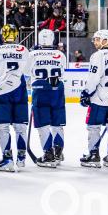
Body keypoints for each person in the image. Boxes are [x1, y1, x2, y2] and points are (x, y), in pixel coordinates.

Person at [0, 27, 31, 171]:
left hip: (1, 92)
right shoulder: (23, 50)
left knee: (2, 126)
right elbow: (28, 72)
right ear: (16, 35)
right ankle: (21, 159)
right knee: (20, 126)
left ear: (3, 35)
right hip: (20, 90)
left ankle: (7, 159)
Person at [79, 29, 108, 168]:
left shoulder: (98, 55)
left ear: (105, 41)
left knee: (93, 127)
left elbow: (94, 77)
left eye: (98, 39)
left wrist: (86, 93)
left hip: (99, 98)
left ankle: (93, 155)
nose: (95, 42)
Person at [28, 29, 67, 168]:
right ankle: (58, 153)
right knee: (57, 123)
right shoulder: (60, 54)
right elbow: (63, 71)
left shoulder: (32, 54)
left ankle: (49, 154)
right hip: (57, 91)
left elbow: (26, 71)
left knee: (42, 124)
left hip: (40, 91)